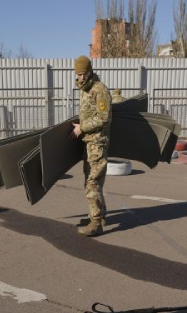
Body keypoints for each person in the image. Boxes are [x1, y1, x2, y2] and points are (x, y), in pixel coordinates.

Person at [71, 55, 112, 237]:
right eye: (77, 74)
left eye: (82, 74)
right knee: (92, 180)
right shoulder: (86, 89)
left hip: (97, 143)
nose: (79, 78)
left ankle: (96, 222)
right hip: (89, 143)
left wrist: (83, 128)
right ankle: (100, 216)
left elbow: (104, 118)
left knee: (92, 183)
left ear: (89, 71)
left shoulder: (99, 90)